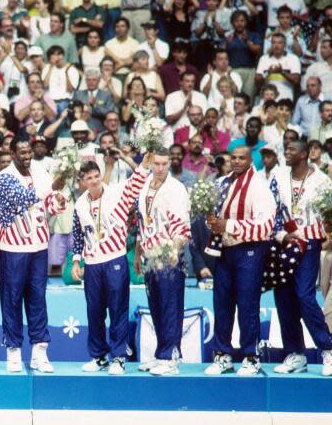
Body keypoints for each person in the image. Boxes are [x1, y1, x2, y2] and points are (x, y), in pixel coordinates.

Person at [72, 153, 149, 375]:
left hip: (115, 259)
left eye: (97, 176)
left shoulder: (116, 193)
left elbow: (136, 182)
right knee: (94, 312)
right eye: (89, 178)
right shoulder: (79, 204)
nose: (95, 180)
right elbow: (78, 234)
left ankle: (118, 358)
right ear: (82, 181)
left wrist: (145, 162)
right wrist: (77, 260)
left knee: (117, 310)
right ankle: (98, 356)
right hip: (93, 263)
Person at [0, 133, 67, 373]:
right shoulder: (4, 177)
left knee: (38, 299)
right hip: (14, 248)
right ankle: (13, 351)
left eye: (29, 152)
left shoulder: (40, 172)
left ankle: (40, 351)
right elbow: (20, 199)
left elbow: (48, 203)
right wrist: (49, 189)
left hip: (38, 247)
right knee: (12, 300)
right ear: (13, 153)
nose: (27, 157)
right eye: (22, 153)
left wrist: (58, 199)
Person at [204, 146, 277, 377]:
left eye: (241, 158)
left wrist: (228, 225)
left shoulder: (259, 186)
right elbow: (215, 217)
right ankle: (222, 355)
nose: (236, 161)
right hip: (225, 249)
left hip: (250, 250)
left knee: (247, 303)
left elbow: (266, 226)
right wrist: (212, 223)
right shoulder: (222, 182)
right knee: (222, 303)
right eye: (233, 157)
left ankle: (251, 357)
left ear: (250, 160)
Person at [270, 141, 332, 377]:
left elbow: (329, 213)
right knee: (284, 296)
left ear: (305, 154)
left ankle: (327, 348)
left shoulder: (321, 181)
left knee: (304, 295)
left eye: (291, 149)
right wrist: (282, 235)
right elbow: (272, 209)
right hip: (284, 242)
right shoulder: (277, 175)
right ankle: (295, 354)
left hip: (309, 243)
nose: (286, 152)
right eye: (285, 148)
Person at [133, 148, 191, 376]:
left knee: (170, 305)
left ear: (169, 164)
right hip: (148, 254)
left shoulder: (176, 189)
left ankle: (171, 357)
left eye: (164, 164)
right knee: (156, 306)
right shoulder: (145, 185)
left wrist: (174, 250)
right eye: (156, 163)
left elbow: (182, 225)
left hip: (168, 255)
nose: (160, 168)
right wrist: (138, 253)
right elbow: (142, 223)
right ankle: (161, 354)